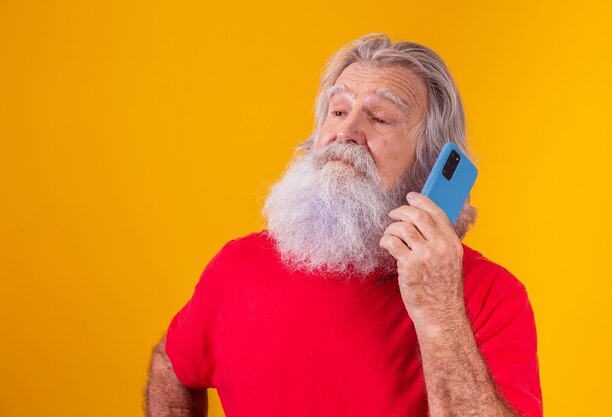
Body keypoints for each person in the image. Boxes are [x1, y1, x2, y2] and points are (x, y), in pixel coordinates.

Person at [144, 33, 542, 417]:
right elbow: (170, 366)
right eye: (338, 111)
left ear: (431, 163)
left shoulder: (490, 295)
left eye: (381, 118)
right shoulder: (237, 266)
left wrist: (439, 311)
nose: (346, 133)